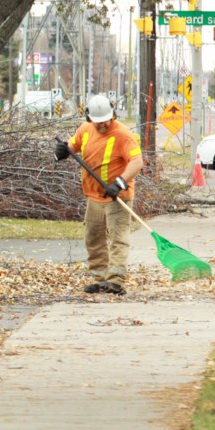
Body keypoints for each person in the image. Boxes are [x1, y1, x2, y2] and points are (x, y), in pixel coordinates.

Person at [55, 94, 143, 295]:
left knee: (118, 238)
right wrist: (61, 151)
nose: (102, 126)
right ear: (89, 119)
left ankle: (115, 281)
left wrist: (119, 183)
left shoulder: (123, 134)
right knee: (93, 237)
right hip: (93, 195)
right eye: (98, 123)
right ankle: (100, 278)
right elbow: (72, 146)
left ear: (112, 116)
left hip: (117, 197)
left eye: (105, 122)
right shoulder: (85, 130)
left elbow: (137, 162)